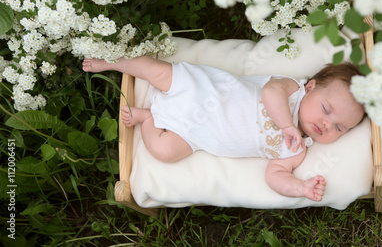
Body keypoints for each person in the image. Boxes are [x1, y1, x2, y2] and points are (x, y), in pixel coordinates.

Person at [82, 56, 365, 202]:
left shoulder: (296, 150)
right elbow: (269, 93)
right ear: (311, 87)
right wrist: (286, 125)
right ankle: (114, 62)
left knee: (164, 151)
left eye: (339, 127)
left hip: (195, 131)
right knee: (157, 71)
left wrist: (300, 187)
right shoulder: (291, 89)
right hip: (203, 89)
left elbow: (274, 174)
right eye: (327, 110)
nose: (327, 124)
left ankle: (149, 117)